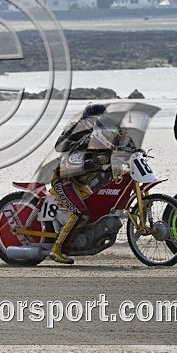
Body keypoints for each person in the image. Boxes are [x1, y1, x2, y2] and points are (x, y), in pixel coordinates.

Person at [48, 102, 137, 264]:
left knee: (97, 208)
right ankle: (57, 249)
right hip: (65, 179)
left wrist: (135, 152)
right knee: (80, 213)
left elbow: (124, 141)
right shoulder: (80, 133)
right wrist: (93, 156)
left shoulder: (105, 132)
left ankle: (86, 239)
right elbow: (61, 148)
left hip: (84, 180)